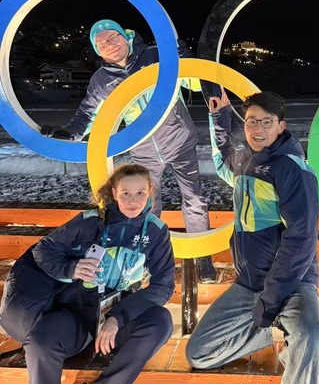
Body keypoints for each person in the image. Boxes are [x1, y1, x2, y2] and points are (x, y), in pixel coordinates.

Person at [185, 90, 319, 384]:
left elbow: (301, 240)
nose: (258, 128)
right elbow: (223, 160)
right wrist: (219, 119)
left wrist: (272, 299)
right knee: (200, 353)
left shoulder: (293, 170)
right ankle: (273, 333)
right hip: (250, 284)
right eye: (252, 121)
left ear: (281, 126)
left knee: (313, 341)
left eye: (267, 122)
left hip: (292, 282)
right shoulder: (246, 159)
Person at [0, 162, 175, 384]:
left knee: (161, 322)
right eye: (126, 193)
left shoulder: (156, 233)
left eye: (140, 193)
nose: (133, 200)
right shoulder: (90, 223)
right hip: (76, 316)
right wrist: (71, 268)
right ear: (114, 193)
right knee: (41, 341)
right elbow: (43, 251)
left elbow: (163, 286)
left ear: (150, 194)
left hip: (117, 319)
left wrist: (117, 318)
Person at [39, 19, 217, 284]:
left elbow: (195, 83)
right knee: (147, 205)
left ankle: (202, 257)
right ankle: (146, 260)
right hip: (142, 149)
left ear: (126, 37)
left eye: (113, 37)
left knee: (194, 199)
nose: (109, 45)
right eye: (101, 44)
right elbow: (88, 115)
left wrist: (184, 58)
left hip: (179, 140)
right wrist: (69, 133)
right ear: (97, 51)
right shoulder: (102, 80)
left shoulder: (155, 55)